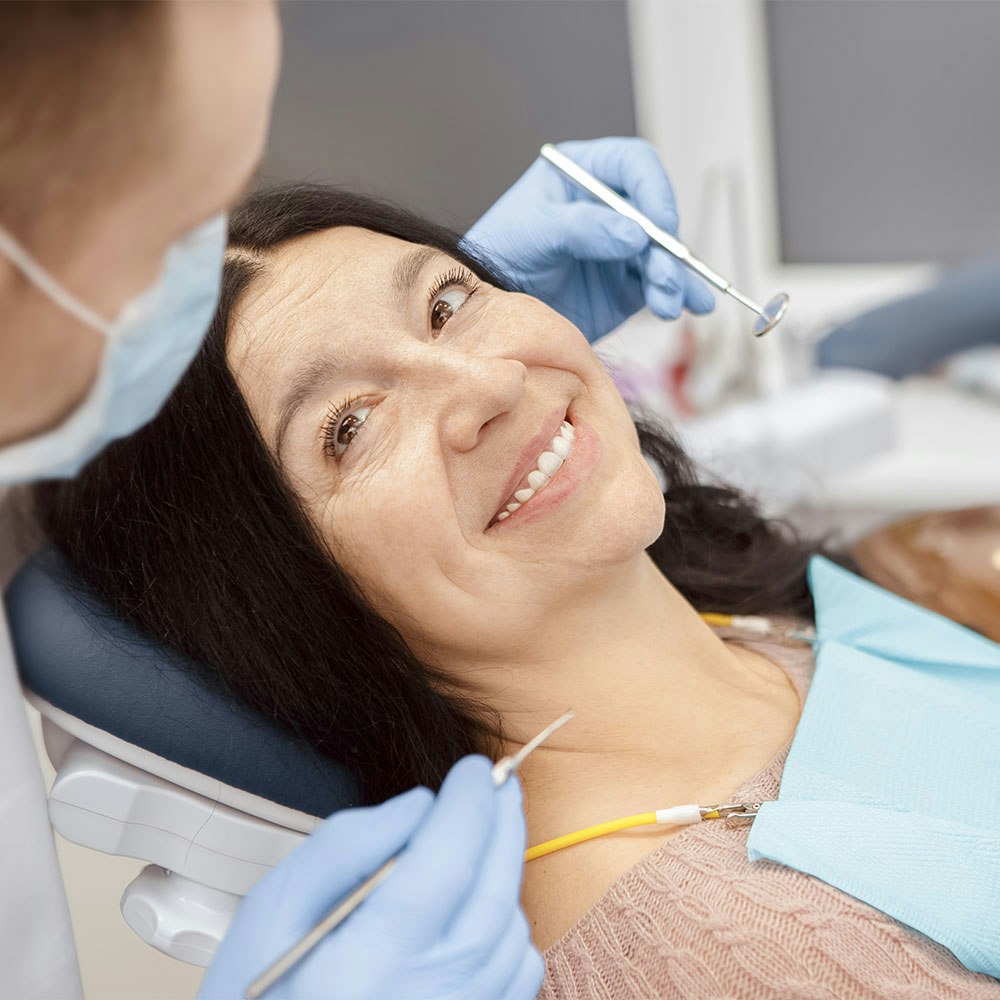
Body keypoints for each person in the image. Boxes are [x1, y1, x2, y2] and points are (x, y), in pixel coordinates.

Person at [34, 184, 1000, 998]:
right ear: (276, 593)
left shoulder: (753, 614)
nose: (486, 380)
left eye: (448, 302)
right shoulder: (720, 947)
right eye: (349, 427)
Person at [0, 5, 713, 997]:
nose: (493, 386)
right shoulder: (683, 933)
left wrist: (409, 345)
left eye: (452, 297)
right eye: (179, 217)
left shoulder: (770, 601)